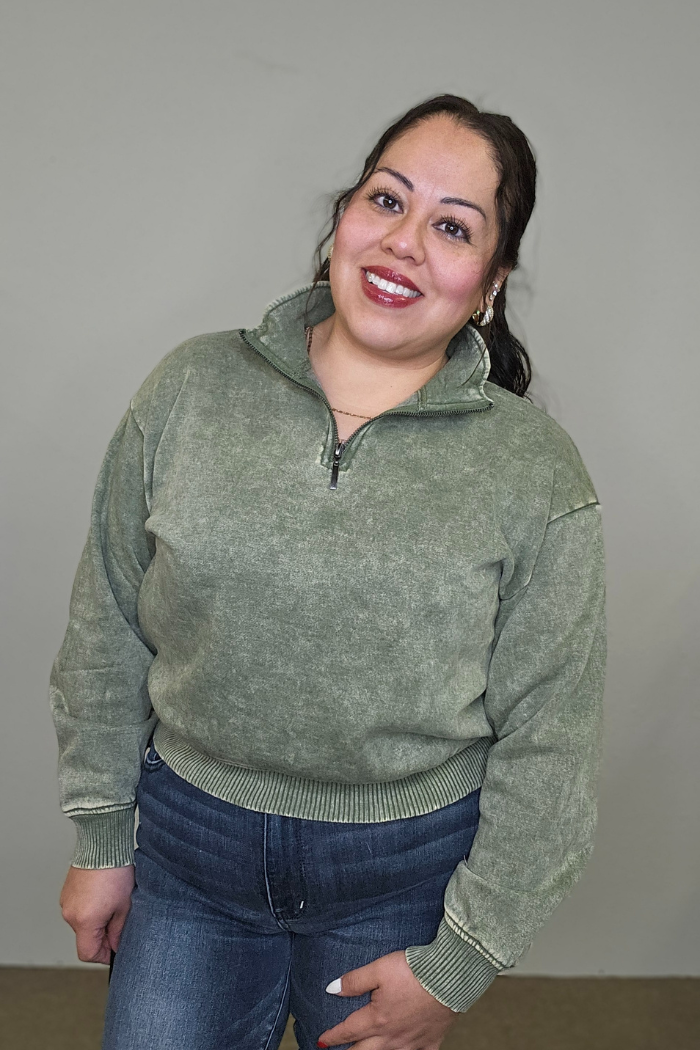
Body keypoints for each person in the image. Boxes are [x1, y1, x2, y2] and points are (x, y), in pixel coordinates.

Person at [50, 93, 607, 1050]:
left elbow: (551, 744)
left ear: (489, 282)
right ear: (341, 220)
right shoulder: (191, 390)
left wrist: (462, 958)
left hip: (401, 877)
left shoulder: (535, 473)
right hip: (188, 857)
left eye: (452, 226)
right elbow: (106, 622)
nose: (403, 244)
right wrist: (102, 839)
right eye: (386, 202)